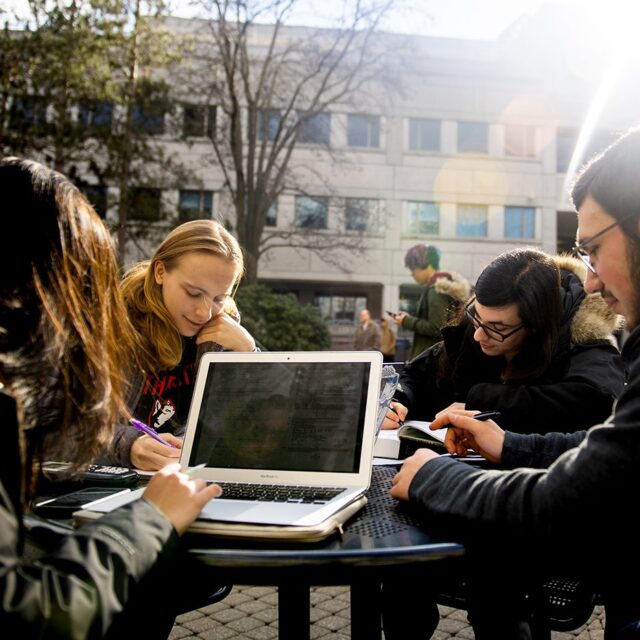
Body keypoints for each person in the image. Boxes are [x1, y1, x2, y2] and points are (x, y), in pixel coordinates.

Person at [390, 127, 640, 638]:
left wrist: (439, 472)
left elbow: (580, 485)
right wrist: (506, 442)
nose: (591, 279)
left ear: (538, 326)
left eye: (594, 247)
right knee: (402, 577)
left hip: (527, 529)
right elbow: (414, 374)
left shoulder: (589, 339)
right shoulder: (470, 333)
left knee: (494, 586)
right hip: (503, 493)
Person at [0, 157, 222, 638]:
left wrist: (246, 349)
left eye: (219, 299)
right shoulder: (114, 331)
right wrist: (146, 515)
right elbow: (36, 610)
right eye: (82, 294)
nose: (84, 325)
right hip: (100, 496)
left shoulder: (214, 333)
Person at [383, 249, 624, 435]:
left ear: (537, 326)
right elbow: (415, 374)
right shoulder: (476, 326)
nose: (478, 335)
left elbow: (597, 402)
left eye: (499, 328)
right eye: (476, 316)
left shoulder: (585, 343)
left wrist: (482, 403)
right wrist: (396, 401)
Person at [98, 219, 256, 471]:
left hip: (185, 477)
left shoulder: (224, 332)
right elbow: (63, 428)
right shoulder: (111, 326)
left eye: (219, 298)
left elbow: (258, 426)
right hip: (109, 484)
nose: (204, 312)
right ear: (160, 272)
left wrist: (248, 354)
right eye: (193, 293)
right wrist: (129, 447)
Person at [394, 243, 470, 360]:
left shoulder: (436, 290)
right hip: (438, 357)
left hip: (430, 360)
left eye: (413, 268)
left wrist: (406, 321)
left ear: (427, 265)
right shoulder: (443, 287)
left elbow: (437, 328)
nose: (411, 273)